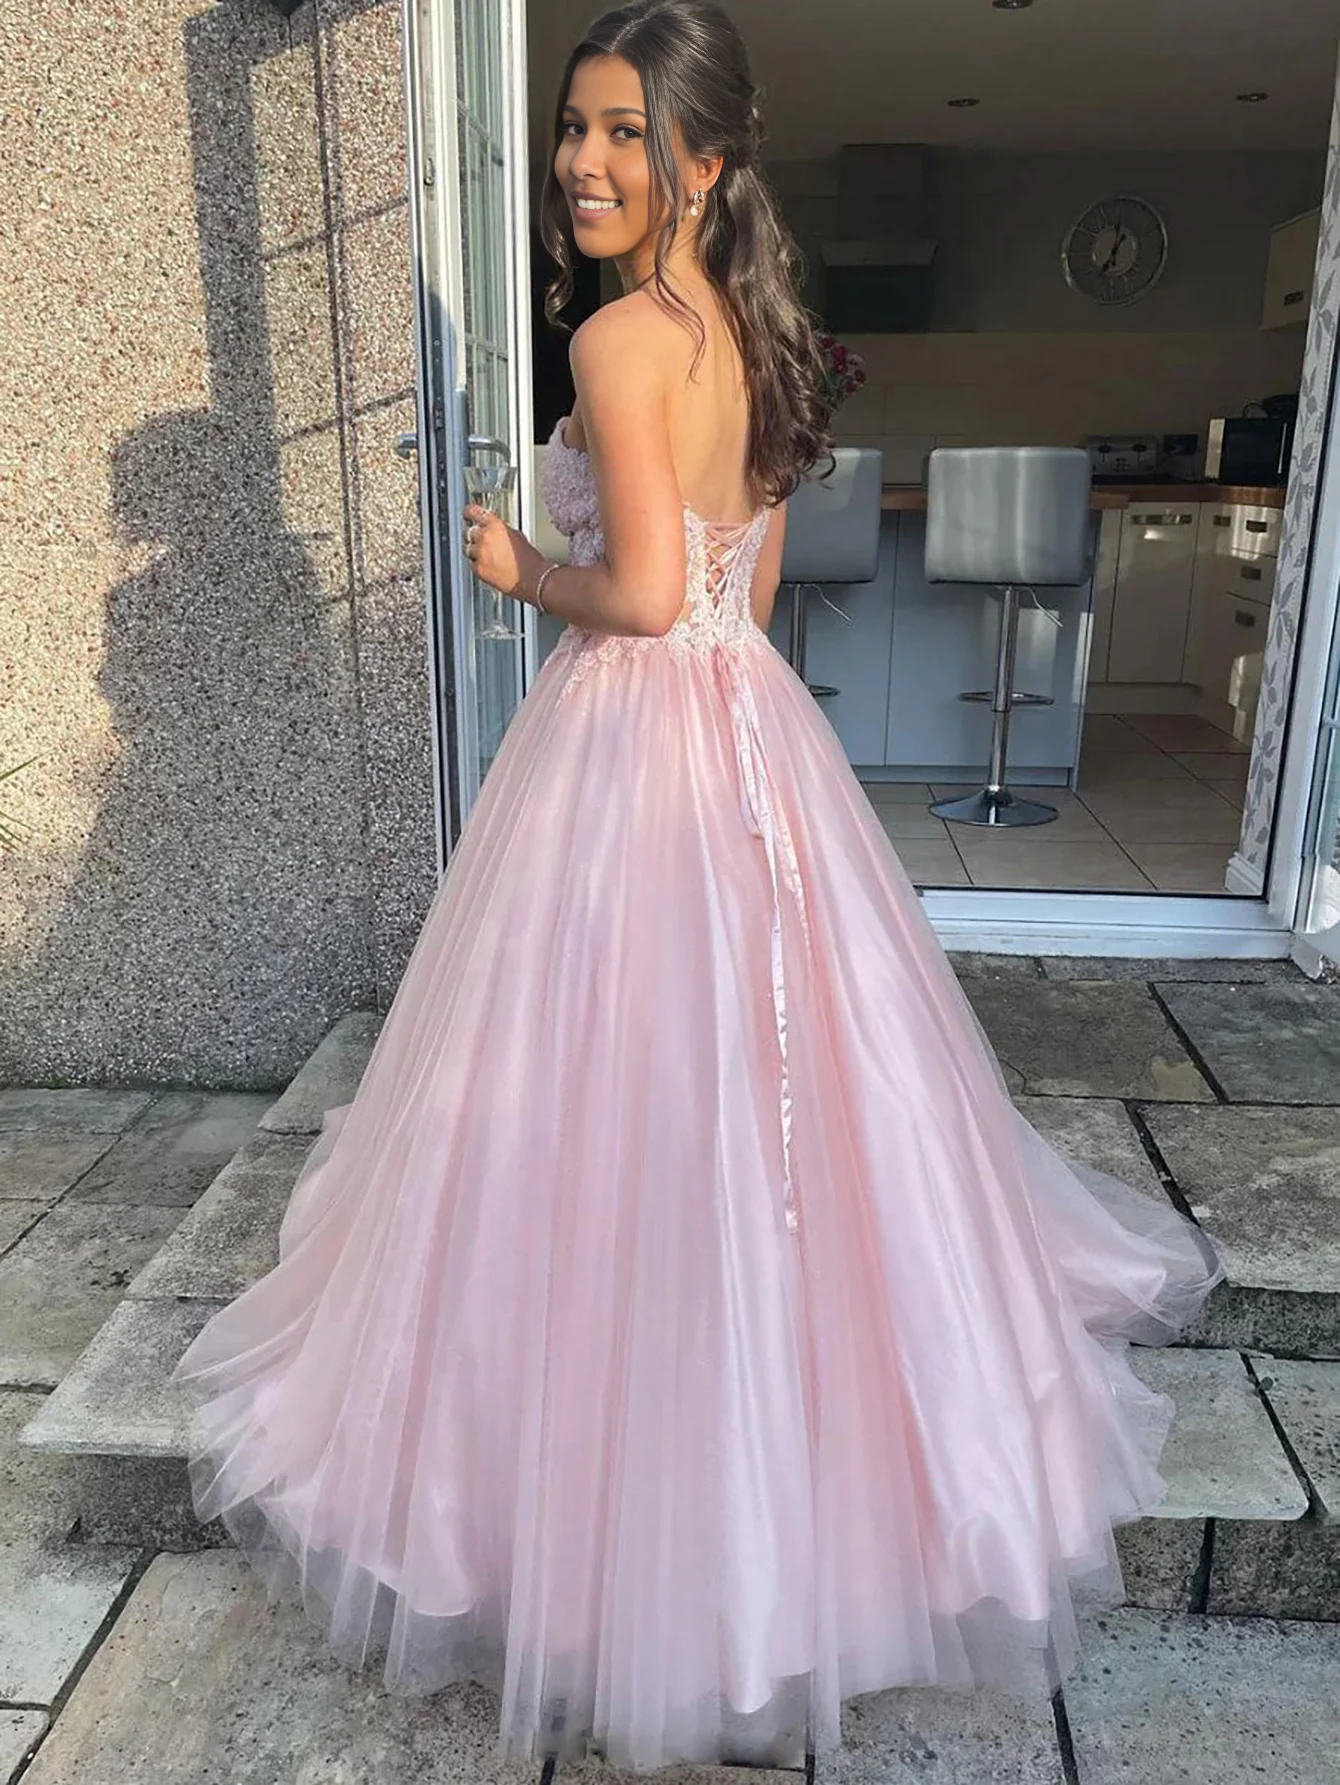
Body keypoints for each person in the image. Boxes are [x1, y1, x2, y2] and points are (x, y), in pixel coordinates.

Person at [170, 1, 1224, 1773]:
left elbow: (650, 597)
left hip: (636, 743)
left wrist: (522, 568)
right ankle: (809, 1499)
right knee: (783, 1094)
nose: (583, 161)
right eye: (573, 125)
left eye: (623, 133)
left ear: (705, 160)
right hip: (754, 738)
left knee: (612, 1095)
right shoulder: (753, 332)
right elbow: (750, 585)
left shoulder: (615, 341)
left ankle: (631, 1523)